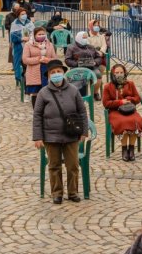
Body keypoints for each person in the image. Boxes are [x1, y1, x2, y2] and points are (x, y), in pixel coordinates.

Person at [32, 59, 88, 204]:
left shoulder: (73, 90)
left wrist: (83, 132)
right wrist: (37, 137)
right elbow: (37, 115)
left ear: (63, 73)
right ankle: (56, 193)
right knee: (54, 166)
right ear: (49, 76)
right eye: (53, 72)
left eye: (59, 71)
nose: (56, 74)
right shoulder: (43, 93)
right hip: (51, 136)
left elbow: (82, 112)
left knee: (73, 165)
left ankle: (73, 192)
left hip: (71, 134)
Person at [102, 63, 142, 161]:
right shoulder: (108, 86)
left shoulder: (130, 84)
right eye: (117, 72)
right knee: (123, 122)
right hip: (115, 112)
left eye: (121, 72)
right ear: (113, 74)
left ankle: (131, 149)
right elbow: (106, 103)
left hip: (130, 110)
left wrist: (129, 99)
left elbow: (137, 98)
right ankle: (124, 149)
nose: (119, 74)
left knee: (136, 121)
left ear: (125, 73)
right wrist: (120, 102)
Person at [65, 31, 106, 97]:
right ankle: (78, 96)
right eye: (83, 38)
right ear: (78, 38)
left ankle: (95, 93)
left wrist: (95, 62)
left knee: (98, 74)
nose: (85, 39)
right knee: (78, 79)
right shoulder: (71, 47)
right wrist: (77, 63)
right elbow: (67, 60)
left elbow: (99, 57)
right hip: (77, 68)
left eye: (86, 38)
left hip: (91, 67)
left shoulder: (90, 47)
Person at [22, 27, 56, 100]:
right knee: (35, 94)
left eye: (43, 34)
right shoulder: (28, 45)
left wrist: (47, 60)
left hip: (47, 71)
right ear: (34, 35)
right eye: (39, 34)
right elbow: (25, 60)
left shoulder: (50, 45)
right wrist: (38, 59)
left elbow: (55, 59)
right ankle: (36, 110)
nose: (41, 36)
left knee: (48, 94)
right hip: (34, 72)